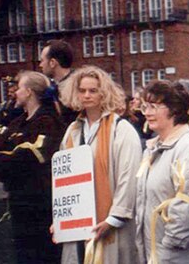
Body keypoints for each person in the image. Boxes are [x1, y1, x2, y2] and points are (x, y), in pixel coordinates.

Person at [59, 66, 141, 264]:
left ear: (104, 93)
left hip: (111, 223)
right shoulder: (73, 130)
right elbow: (63, 178)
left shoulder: (121, 130)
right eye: (82, 90)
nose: (87, 95)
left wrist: (113, 219)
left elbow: (128, 178)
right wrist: (61, 218)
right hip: (78, 223)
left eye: (93, 90)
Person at [135, 80, 189, 263]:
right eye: (145, 106)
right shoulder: (152, 149)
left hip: (179, 256)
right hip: (157, 254)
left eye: (154, 106)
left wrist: (169, 247)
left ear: (174, 109)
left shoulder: (188, 148)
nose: (146, 112)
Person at [0, 71, 65, 264]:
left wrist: (1, 158)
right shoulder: (18, 122)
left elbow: (29, 157)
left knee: (42, 254)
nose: (14, 92)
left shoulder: (48, 121)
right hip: (19, 200)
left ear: (30, 92)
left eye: (19, 88)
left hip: (40, 203)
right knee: (23, 254)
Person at [40, 39, 78, 125]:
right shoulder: (53, 87)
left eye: (42, 60)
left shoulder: (77, 87)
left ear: (52, 63)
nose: (40, 65)